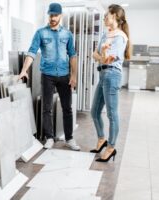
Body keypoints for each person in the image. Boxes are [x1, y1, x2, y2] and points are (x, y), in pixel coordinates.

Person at [18, 3, 80, 151]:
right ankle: (49, 137)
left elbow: (73, 55)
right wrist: (24, 70)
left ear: (60, 16)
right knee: (46, 109)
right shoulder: (40, 33)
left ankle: (69, 138)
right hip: (47, 75)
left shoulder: (67, 34)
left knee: (67, 108)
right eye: (50, 15)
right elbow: (32, 52)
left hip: (64, 75)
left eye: (55, 15)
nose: (52, 18)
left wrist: (74, 75)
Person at [90, 4, 131, 162]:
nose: (104, 17)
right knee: (94, 112)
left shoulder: (120, 36)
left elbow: (108, 58)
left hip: (112, 75)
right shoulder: (106, 34)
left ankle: (111, 146)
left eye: (107, 15)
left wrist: (103, 55)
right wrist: (102, 55)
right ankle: (102, 139)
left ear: (115, 16)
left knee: (112, 114)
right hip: (103, 74)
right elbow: (95, 53)